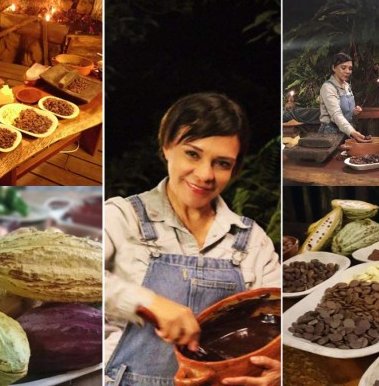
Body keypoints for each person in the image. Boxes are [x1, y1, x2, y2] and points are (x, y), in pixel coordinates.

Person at [104, 92, 281, 386]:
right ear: (167, 146)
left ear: (235, 169)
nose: (204, 174)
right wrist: (148, 301)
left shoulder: (252, 242)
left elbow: (279, 319)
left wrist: (278, 372)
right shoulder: (122, 217)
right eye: (192, 154)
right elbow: (72, 277)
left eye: (222, 163)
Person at [319, 52, 367, 142]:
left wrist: (354, 112)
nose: (348, 71)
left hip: (346, 131)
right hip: (331, 134)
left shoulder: (347, 86)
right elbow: (336, 114)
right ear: (333, 68)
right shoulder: (328, 87)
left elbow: (347, 112)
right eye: (343, 68)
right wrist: (352, 131)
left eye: (350, 68)